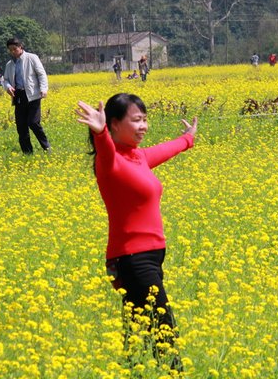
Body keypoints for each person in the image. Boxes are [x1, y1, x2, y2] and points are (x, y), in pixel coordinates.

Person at [74, 93, 198, 372]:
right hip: (132, 259)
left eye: (145, 120)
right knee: (164, 331)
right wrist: (99, 131)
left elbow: (170, 148)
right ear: (115, 124)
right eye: (136, 120)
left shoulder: (139, 157)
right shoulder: (110, 162)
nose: (143, 126)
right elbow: (105, 147)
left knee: (137, 334)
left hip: (149, 258)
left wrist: (188, 138)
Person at [0, 37, 51, 154]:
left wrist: (43, 89)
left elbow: (41, 74)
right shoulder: (9, 64)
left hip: (33, 95)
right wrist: (8, 87)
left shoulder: (32, 58)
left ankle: (46, 148)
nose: (13, 52)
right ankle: (27, 153)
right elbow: (5, 79)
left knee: (33, 123)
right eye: (10, 50)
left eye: (14, 49)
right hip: (18, 96)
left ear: (20, 47)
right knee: (21, 126)